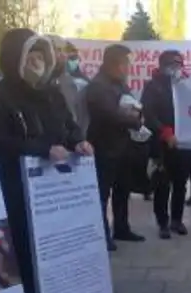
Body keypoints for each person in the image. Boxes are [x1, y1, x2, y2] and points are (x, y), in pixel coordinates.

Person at [0, 28, 92, 293]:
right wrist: (42, 149)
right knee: (24, 249)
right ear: (15, 58)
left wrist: (78, 142)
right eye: (30, 54)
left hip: (54, 189)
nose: (37, 61)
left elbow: (68, 126)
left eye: (41, 54)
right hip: (15, 187)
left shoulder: (52, 93)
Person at [86, 43, 146, 250]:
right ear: (115, 64)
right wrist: (134, 121)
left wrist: (138, 113)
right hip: (104, 147)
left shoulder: (120, 84)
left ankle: (121, 228)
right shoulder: (98, 86)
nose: (128, 67)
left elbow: (131, 105)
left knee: (122, 190)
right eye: (125, 63)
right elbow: (109, 115)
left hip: (122, 147)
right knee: (102, 194)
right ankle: (102, 235)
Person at [141, 50, 191, 238]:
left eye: (179, 64)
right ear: (162, 65)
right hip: (161, 143)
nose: (176, 68)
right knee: (162, 184)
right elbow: (148, 114)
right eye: (172, 64)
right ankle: (162, 222)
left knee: (181, 183)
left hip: (182, 143)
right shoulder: (152, 86)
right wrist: (164, 132)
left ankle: (177, 220)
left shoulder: (186, 85)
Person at [46, 35, 89, 134]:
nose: (63, 55)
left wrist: (78, 139)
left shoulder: (74, 85)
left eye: (63, 50)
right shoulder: (34, 82)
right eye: (58, 50)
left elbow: (79, 119)